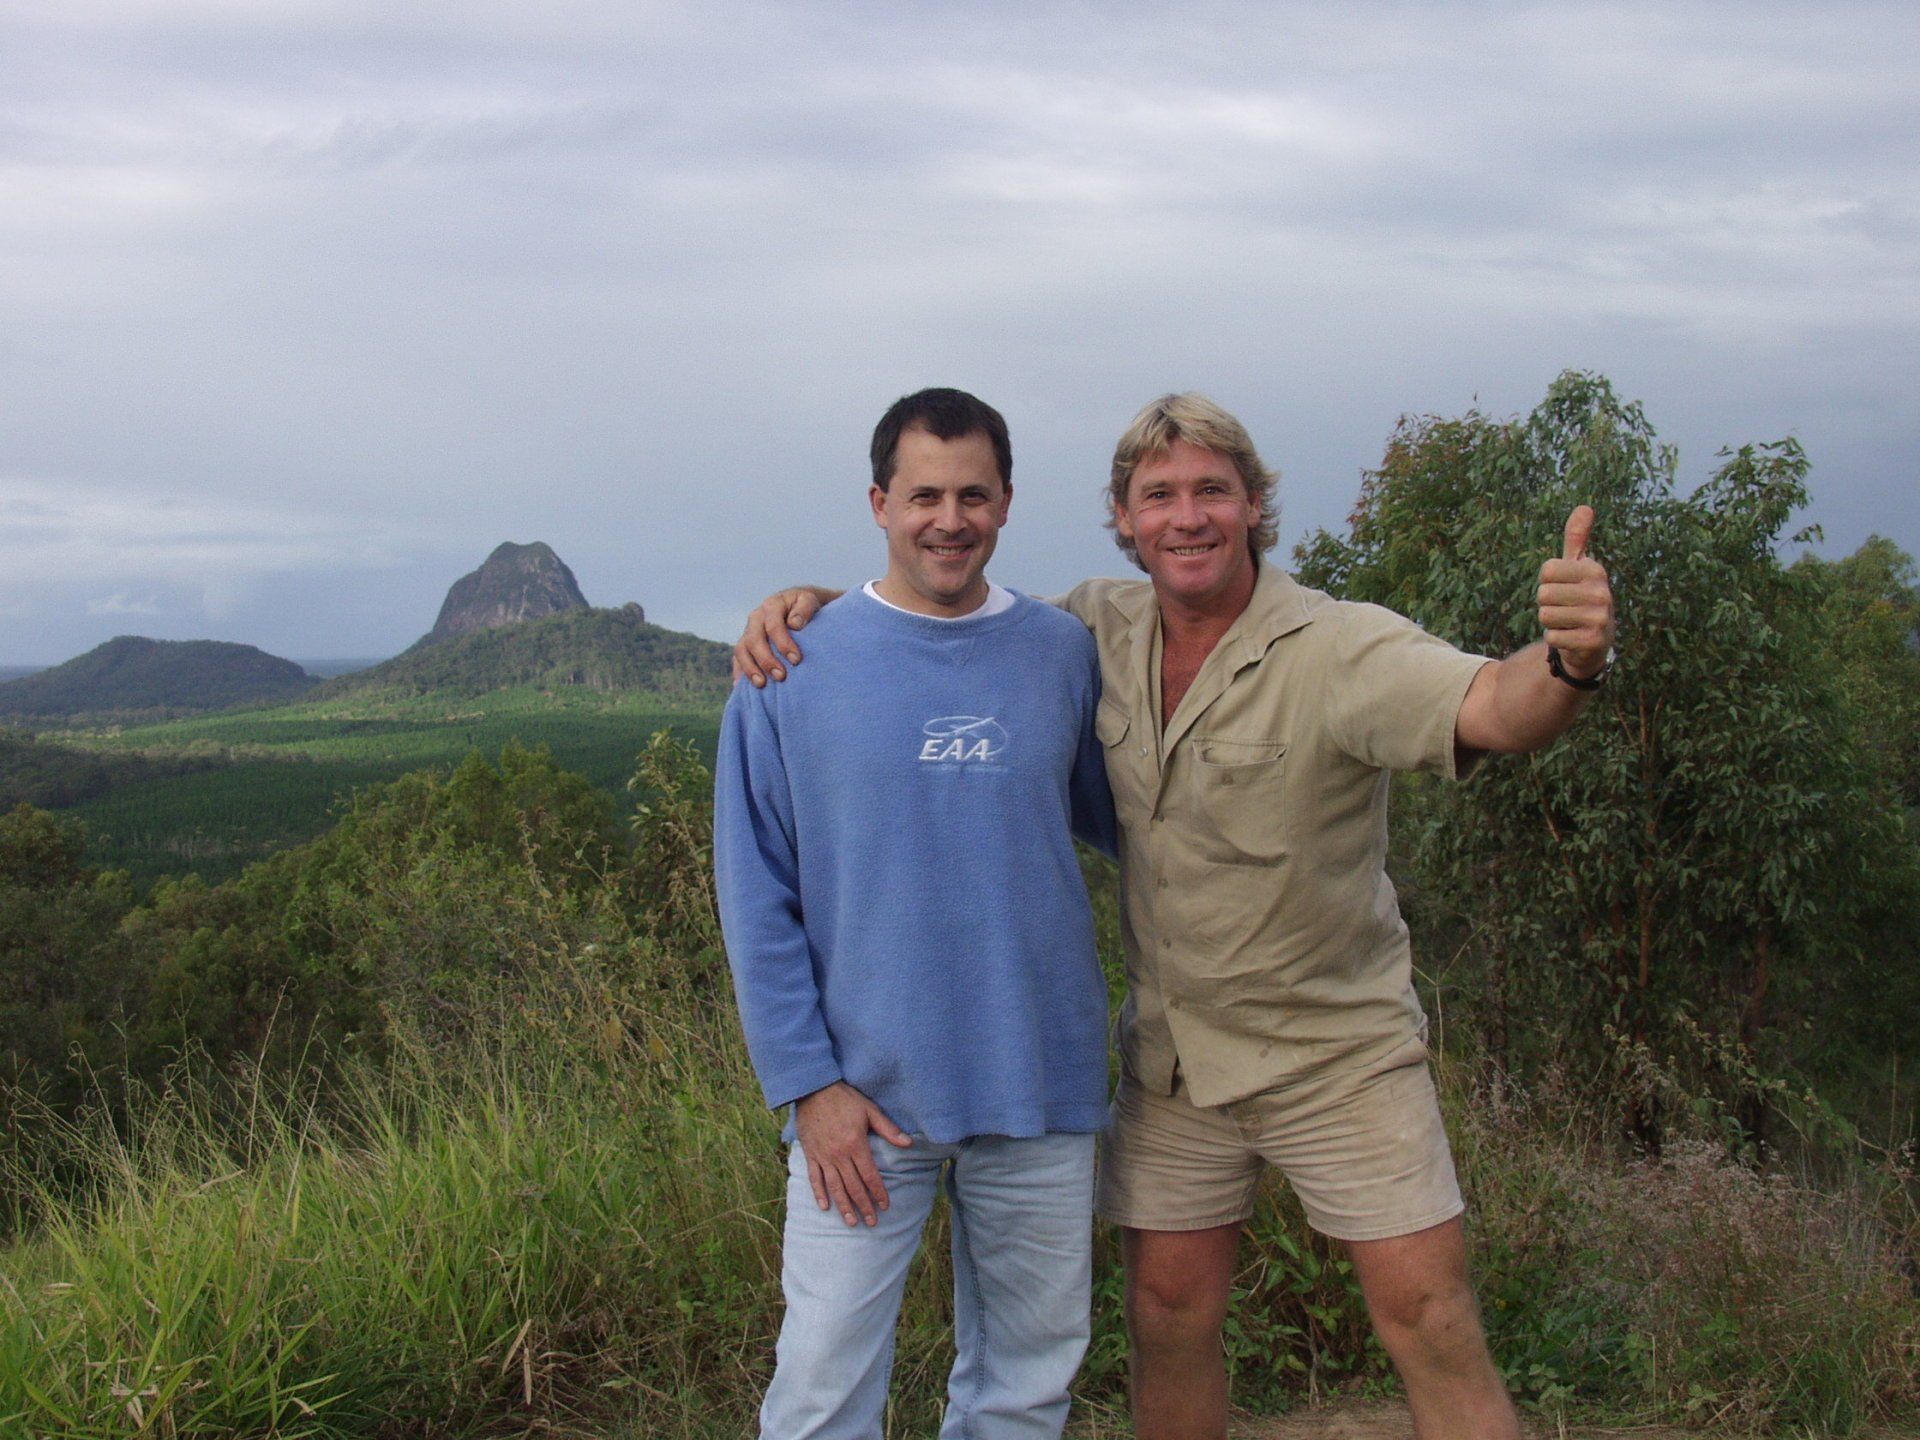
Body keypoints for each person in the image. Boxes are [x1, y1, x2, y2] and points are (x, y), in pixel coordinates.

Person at [730, 392, 1617, 1440]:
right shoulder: (1030, 640)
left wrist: (1569, 659)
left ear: (1253, 505)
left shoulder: (1271, 645)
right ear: (1125, 515)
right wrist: (821, 609)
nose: (1186, 516)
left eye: (1211, 491)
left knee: (1414, 1320)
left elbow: (1495, 707)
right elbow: (918, 652)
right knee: (1130, 1326)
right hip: (1088, 1076)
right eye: (1159, 495)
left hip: (1277, 1059)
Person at [713, 386, 1118, 1440]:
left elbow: (1134, 824)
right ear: (879, 503)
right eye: (924, 496)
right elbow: (755, 892)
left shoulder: (1061, 653)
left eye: (973, 496)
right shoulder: (791, 665)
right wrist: (808, 1086)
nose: (950, 519)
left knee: (1025, 1386)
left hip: (1041, 1080)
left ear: (1007, 502)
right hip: (863, 1106)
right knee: (821, 1392)